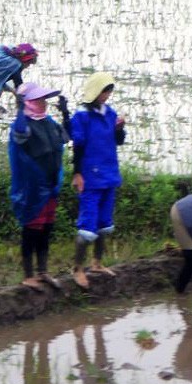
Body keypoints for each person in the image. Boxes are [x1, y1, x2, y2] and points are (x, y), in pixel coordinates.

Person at [68, 72, 127, 289]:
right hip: (90, 177)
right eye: (104, 91)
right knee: (87, 226)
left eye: (110, 91)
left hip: (109, 174)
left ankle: (97, 263)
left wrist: (120, 129)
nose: (107, 95)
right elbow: (78, 146)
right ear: (95, 92)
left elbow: (118, 141)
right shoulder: (81, 117)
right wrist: (77, 173)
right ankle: (77, 268)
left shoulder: (109, 113)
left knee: (104, 224)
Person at [10, 82, 68, 291]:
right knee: (31, 230)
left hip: (50, 185)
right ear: (28, 102)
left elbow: (65, 138)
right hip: (32, 188)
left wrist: (66, 113)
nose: (43, 103)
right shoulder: (22, 124)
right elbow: (20, 136)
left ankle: (43, 270)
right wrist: (18, 110)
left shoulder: (49, 122)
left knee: (46, 228)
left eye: (44, 99)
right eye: (38, 99)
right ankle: (28, 275)